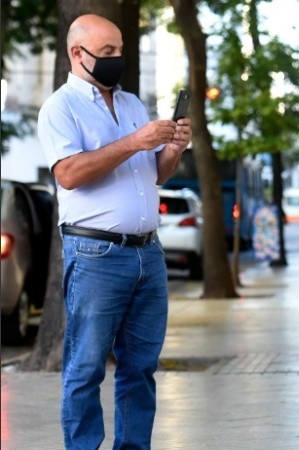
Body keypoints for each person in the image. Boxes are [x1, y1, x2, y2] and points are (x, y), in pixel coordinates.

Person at [37, 14, 192, 450]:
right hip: (96, 255)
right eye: (107, 53)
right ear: (77, 53)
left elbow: (156, 174)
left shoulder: (131, 105)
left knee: (140, 367)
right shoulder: (60, 108)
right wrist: (134, 142)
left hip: (148, 254)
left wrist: (172, 148)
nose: (117, 59)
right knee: (86, 368)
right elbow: (68, 174)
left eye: (120, 50)